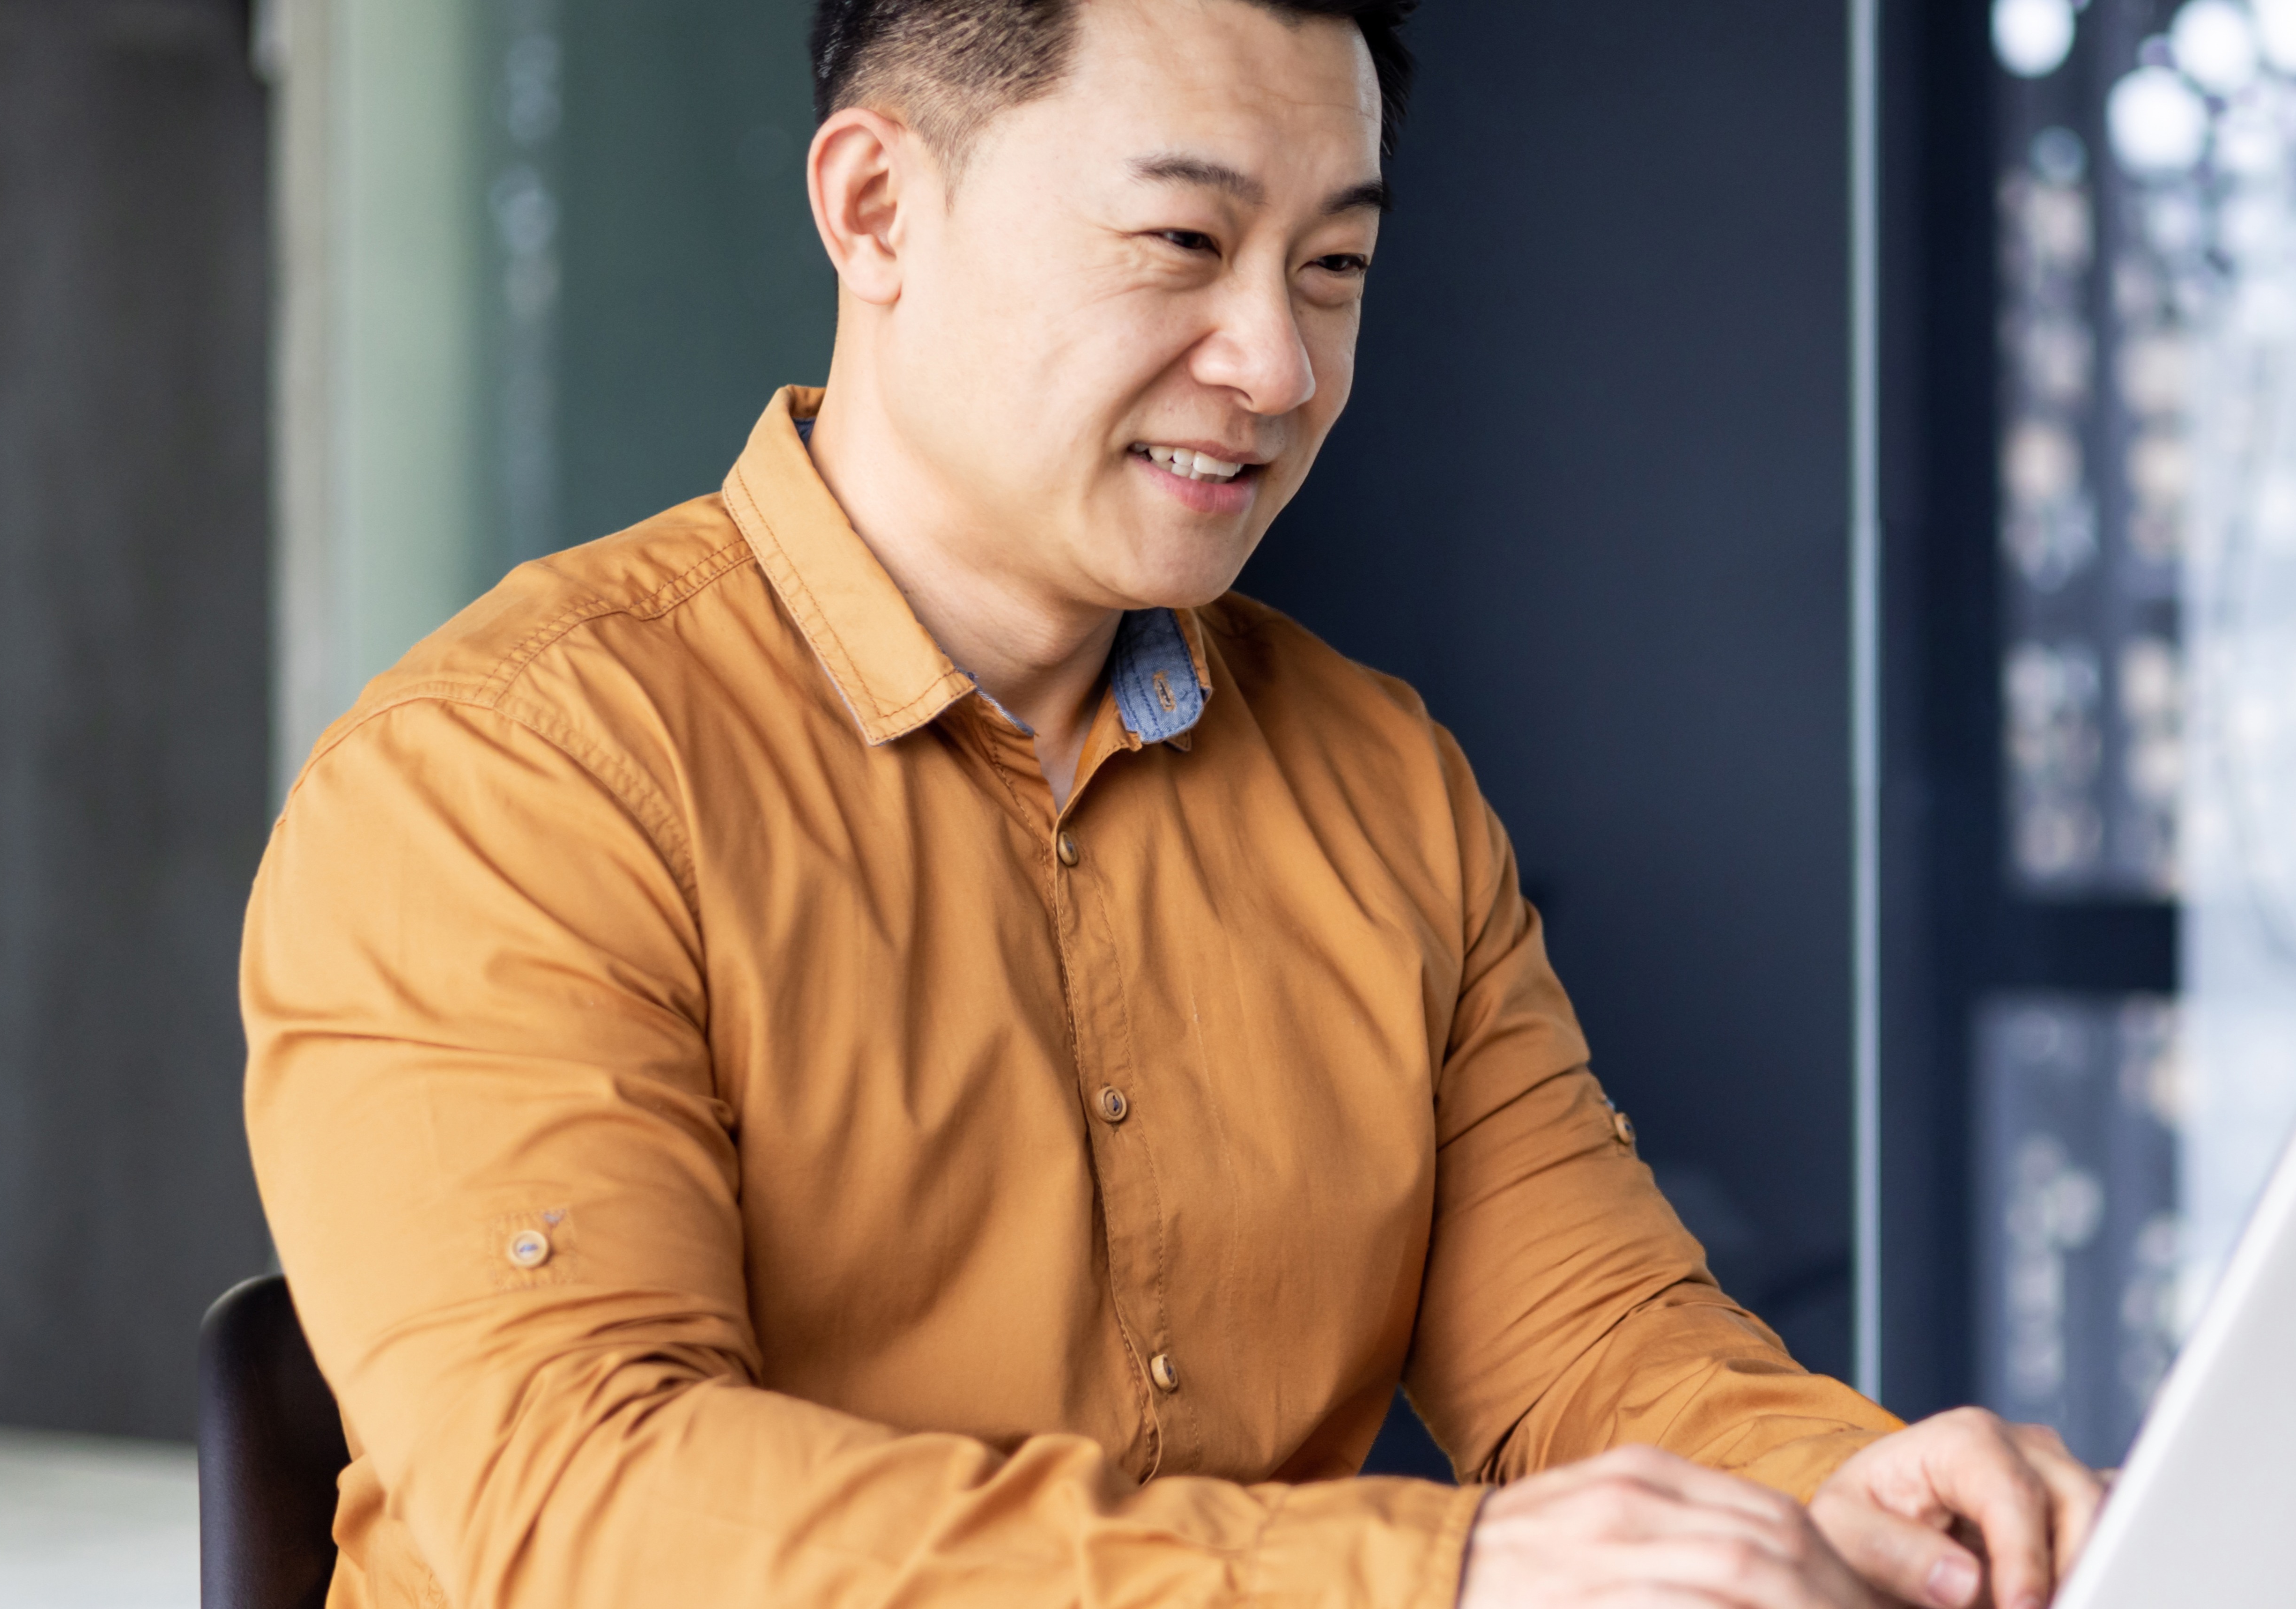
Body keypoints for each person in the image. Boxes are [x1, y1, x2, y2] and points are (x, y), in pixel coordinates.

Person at [240, 1, 2109, 1605]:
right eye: (1181, 244)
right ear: (879, 207)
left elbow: (1601, 1348)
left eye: (1334, 266)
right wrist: (1423, 1572)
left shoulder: (1379, 789)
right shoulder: (511, 778)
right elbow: (582, 1513)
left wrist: (1837, 1486)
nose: (1279, 367)